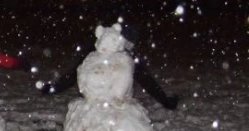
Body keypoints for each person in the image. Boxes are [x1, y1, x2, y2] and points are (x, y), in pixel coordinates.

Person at [38, 23, 180, 110]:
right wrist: (53, 89)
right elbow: (75, 74)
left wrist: (165, 101)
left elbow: (147, 81)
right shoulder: (95, 53)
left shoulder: (128, 58)